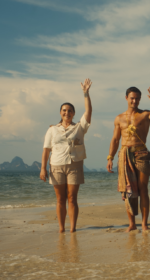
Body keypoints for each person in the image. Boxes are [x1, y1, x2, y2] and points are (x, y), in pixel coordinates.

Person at [106, 86, 150, 232]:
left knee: (143, 189)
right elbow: (115, 140)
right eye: (132, 98)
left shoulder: (145, 114)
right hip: (124, 156)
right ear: (126, 98)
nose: (135, 101)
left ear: (140, 99)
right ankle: (132, 224)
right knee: (128, 190)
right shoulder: (119, 118)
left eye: (137, 98)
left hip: (141, 155)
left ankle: (145, 224)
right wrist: (110, 157)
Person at [40, 78, 93, 233]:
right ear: (60, 113)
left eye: (70, 111)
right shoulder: (52, 129)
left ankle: (73, 229)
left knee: (72, 198)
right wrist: (43, 168)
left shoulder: (79, 127)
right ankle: (61, 228)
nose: (67, 113)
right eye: (64, 110)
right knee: (60, 199)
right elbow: (46, 150)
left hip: (74, 165)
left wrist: (86, 93)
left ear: (73, 113)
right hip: (56, 166)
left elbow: (88, 112)